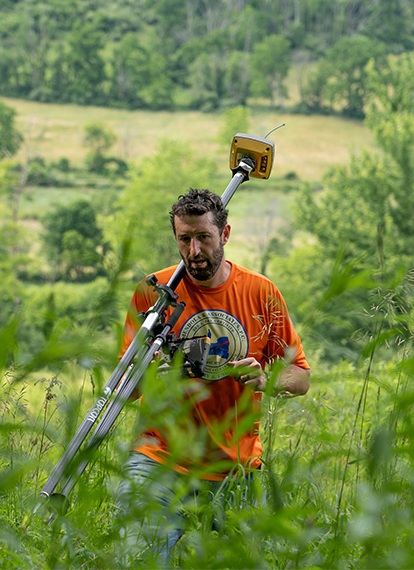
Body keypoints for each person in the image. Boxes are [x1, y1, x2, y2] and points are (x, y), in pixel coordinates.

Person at [115, 188, 310, 563]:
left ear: (225, 234)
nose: (194, 251)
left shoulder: (260, 293)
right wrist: (149, 373)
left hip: (235, 468)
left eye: (203, 237)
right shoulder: (154, 294)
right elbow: (124, 389)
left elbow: (301, 377)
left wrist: (266, 381)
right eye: (184, 239)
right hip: (158, 459)